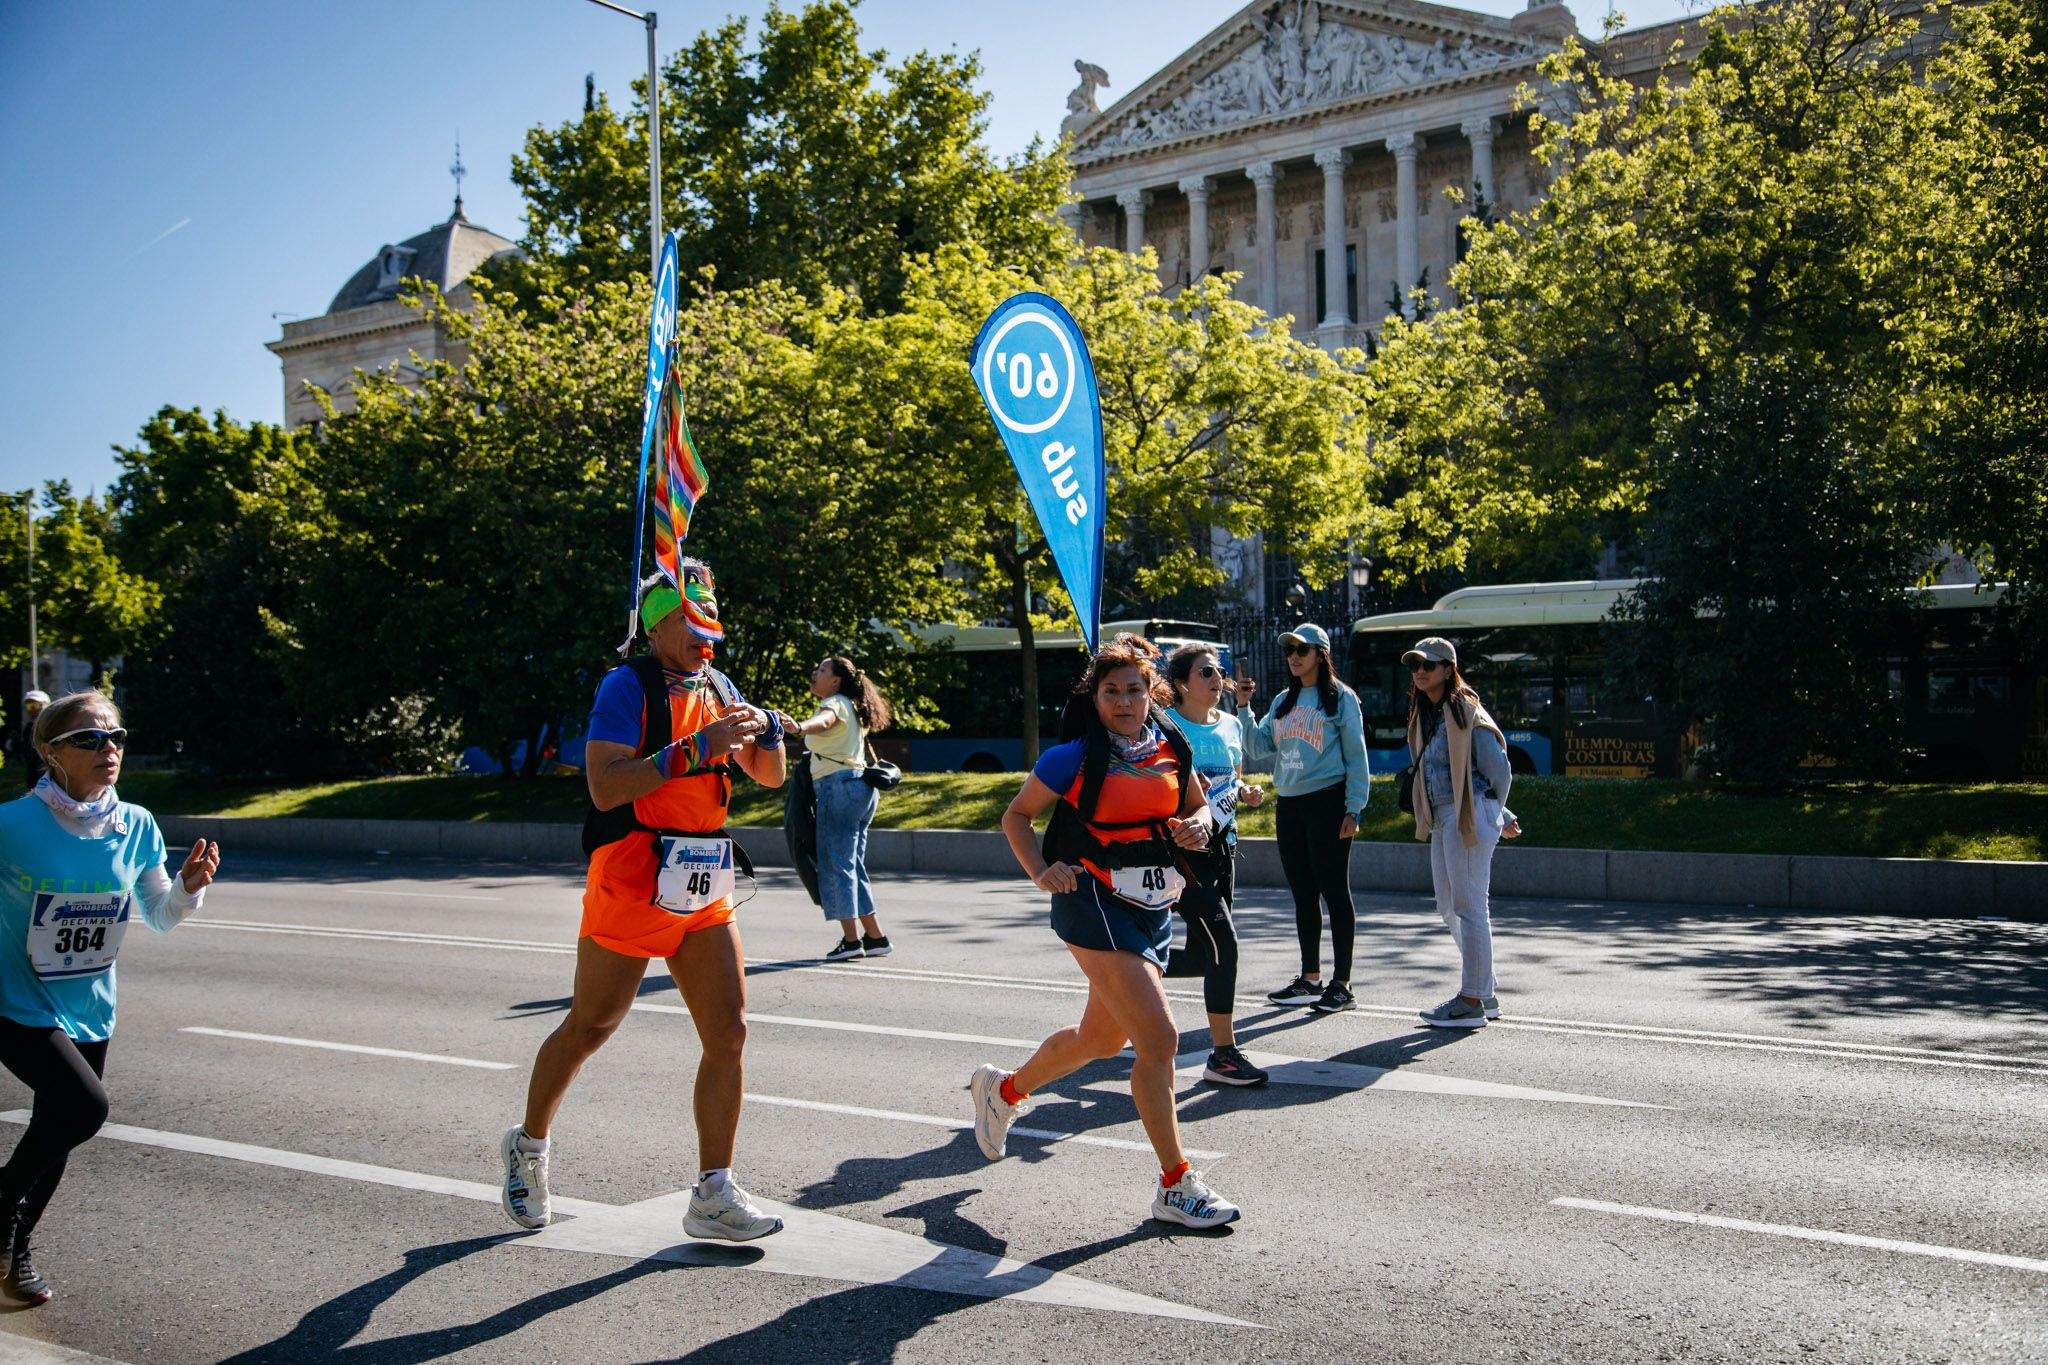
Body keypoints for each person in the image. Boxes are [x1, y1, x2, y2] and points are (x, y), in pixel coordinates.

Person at [501, 562, 788, 1241]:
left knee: (730, 1034)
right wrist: (696, 747)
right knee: (591, 1025)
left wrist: (768, 731)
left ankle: (713, 1191)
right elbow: (604, 786)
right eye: (691, 620)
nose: (704, 633)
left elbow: (769, 777)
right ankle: (529, 1145)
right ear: (656, 623)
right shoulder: (624, 687)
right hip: (631, 872)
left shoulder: (718, 685)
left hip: (701, 878)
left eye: (711, 618)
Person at [973, 634, 1240, 1228]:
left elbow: (1196, 806)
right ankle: (1176, 1183)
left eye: (1135, 690)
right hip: (1089, 898)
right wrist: (1043, 870)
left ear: (1153, 693)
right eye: (1112, 691)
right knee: (1161, 1040)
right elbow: (1016, 815)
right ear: (1094, 698)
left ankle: (1003, 1092)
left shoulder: (1171, 742)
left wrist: (1196, 827)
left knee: (1101, 1041)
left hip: (1151, 902)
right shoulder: (1071, 757)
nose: (1124, 702)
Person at [0, 690, 220, 1306]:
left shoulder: (137, 824)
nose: (110, 750)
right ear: (50, 751)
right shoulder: (11, 826)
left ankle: (11, 1258)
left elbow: (158, 915)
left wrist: (187, 888)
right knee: (83, 1108)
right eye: (91, 739)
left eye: (117, 737)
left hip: (90, 1001)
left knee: (57, 1129)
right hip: (15, 999)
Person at [1235, 624, 1371, 1014]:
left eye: (1302, 650)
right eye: (1289, 650)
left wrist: (1354, 807)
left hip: (1328, 801)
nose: (1294, 657)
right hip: (1290, 803)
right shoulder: (1282, 700)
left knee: (1334, 889)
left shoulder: (1341, 699)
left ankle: (1341, 984)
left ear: (1321, 654)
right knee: (1302, 892)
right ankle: (1310, 979)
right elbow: (1259, 747)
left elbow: (1356, 757)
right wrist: (1244, 706)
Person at [1162, 646, 1268, 1087]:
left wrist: (1244, 791)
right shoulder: (1167, 727)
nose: (1216, 677)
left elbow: (1233, 776)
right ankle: (1222, 1055)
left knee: (1206, 956)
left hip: (1225, 848)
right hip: (1185, 852)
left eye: (1218, 670)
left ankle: (1129, 968)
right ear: (1183, 683)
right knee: (1226, 945)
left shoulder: (1228, 725)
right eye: (1206, 671)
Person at [1404, 637, 1516, 1029]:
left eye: (1429, 665)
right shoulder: (1427, 714)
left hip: (1467, 816)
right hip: (1442, 817)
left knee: (1469, 908)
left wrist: (1494, 813)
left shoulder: (1465, 711)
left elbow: (1499, 771)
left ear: (1449, 670)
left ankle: (1471, 1000)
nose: (1420, 671)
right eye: (1416, 664)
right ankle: (1484, 991)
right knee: (1449, 906)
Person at [781, 657, 894, 962]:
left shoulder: (835, 703)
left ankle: (851, 940)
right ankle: (875, 937)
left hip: (838, 788)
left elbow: (825, 721)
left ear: (835, 680)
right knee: (852, 865)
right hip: (860, 788)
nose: (814, 673)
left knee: (836, 865)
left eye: (821, 670)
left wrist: (798, 726)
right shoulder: (852, 708)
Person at [7, 692, 49, 792]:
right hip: (34, 781)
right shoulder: (28, 728)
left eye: (36, 705)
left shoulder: (52, 727)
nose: (33, 710)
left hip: (51, 779)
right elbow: (27, 754)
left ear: (47, 705)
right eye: (29, 706)